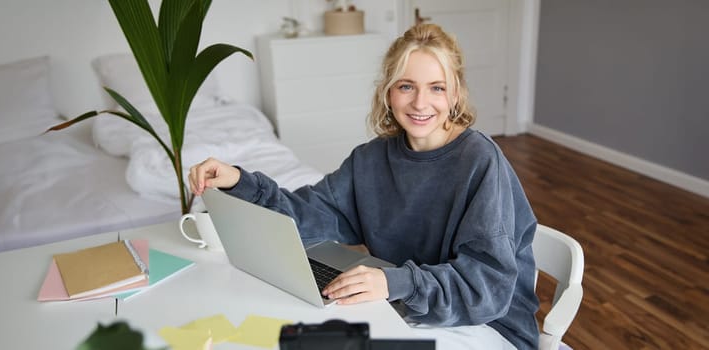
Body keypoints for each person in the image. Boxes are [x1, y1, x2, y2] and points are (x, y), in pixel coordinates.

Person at [188, 23, 539, 350]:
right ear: (388, 92)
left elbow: (487, 288)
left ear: (456, 94)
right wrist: (239, 181)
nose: (420, 102)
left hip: (488, 324)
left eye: (437, 88)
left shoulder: (479, 161)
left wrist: (395, 283)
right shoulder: (370, 160)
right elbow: (305, 217)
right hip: (405, 308)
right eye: (406, 86)